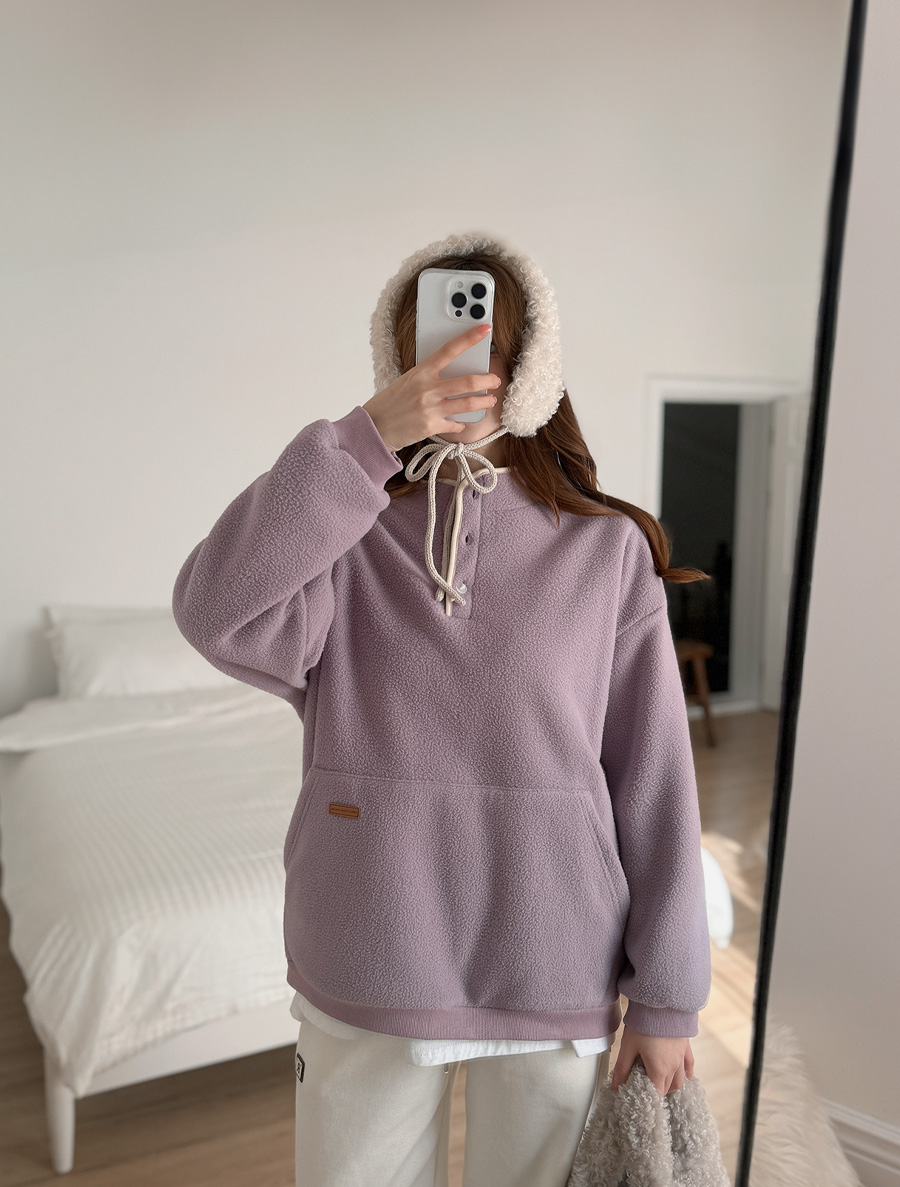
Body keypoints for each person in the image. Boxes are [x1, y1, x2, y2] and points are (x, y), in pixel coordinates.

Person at [172, 231, 712, 1187]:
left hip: (554, 953)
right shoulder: (342, 532)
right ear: (397, 362)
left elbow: (655, 778)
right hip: (366, 944)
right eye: (430, 342)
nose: (457, 365)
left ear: (531, 367)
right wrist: (360, 441)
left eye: (485, 342)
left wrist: (668, 996)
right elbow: (214, 609)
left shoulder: (606, 552)